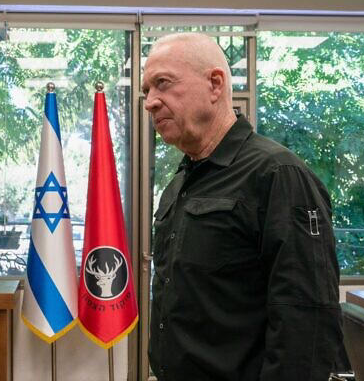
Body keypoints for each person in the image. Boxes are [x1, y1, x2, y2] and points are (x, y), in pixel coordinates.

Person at [143, 33, 343, 381]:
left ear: (215, 84)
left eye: (162, 83)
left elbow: (305, 321)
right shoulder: (180, 184)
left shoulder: (278, 174)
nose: (150, 102)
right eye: (146, 90)